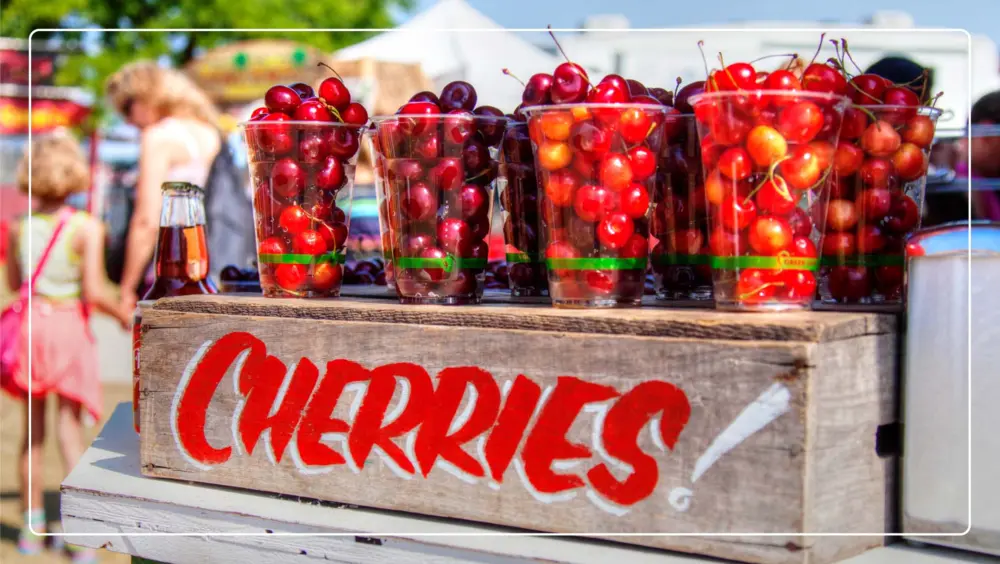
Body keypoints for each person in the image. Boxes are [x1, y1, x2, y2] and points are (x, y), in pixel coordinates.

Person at [4, 132, 131, 562]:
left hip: (31, 332)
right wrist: (121, 314)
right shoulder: (86, 228)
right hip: (68, 331)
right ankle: (78, 536)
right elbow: (93, 291)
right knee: (69, 433)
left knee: (32, 435)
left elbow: (14, 284)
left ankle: (30, 529)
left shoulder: (19, 226)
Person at [104, 61, 222, 313]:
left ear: (146, 96)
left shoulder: (159, 136)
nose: (127, 120)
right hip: (208, 271)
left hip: (169, 274)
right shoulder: (211, 132)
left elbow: (147, 221)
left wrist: (127, 288)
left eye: (127, 107)